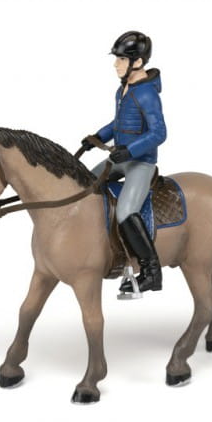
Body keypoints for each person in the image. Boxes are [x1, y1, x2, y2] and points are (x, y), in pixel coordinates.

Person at [81, 31, 167, 294]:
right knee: (85, 185)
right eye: (117, 59)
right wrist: (98, 136)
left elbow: (159, 133)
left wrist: (130, 151)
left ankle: (151, 271)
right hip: (120, 157)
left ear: (137, 62)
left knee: (126, 211)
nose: (115, 65)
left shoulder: (147, 94)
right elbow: (118, 122)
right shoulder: (123, 89)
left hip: (141, 163)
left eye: (121, 59)